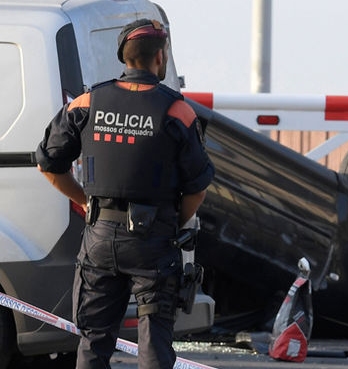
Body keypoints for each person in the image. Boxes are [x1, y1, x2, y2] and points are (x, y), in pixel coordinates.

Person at [35, 18, 214, 369]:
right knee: (154, 347)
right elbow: (198, 187)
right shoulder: (178, 111)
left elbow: (48, 163)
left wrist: (85, 202)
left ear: (123, 57)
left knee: (93, 342)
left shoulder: (86, 103)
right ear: (160, 57)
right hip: (154, 244)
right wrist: (172, 223)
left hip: (99, 238)